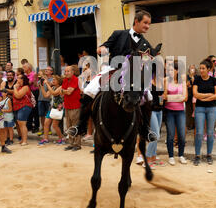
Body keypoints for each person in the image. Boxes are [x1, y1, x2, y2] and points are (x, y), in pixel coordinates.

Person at [67, 10, 162, 145]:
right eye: (145, 23)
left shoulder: (146, 44)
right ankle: (80, 126)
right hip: (113, 70)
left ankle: (145, 130)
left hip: (133, 75)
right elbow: (103, 47)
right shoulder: (119, 34)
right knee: (90, 90)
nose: (147, 26)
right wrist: (102, 49)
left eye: (149, 24)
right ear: (136, 21)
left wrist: (152, 57)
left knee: (149, 97)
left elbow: (146, 60)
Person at [193, 60, 216, 165]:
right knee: (199, 133)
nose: (201, 70)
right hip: (199, 108)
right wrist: (209, 95)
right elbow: (195, 94)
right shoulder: (197, 79)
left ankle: (209, 154)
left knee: (210, 133)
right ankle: (197, 155)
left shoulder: (213, 80)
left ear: (208, 69)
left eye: (203, 68)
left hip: (211, 109)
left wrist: (203, 97)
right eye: (200, 68)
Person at [163, 60, 188, 165]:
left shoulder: (183, 82)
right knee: (170, 135)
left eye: (172, 70)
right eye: (168, 70)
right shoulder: (165, 80)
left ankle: (181, 155)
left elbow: (185, 98)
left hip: (180, 111)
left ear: (177, 71)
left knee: (182, 135)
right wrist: (178, 97)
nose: (170, 71)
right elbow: (164, 97)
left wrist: (170, 97)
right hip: (169, 111)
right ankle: (171, 156)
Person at [144, 70, 166, 169]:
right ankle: (147, 160)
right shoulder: (148, 82)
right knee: (155, 134)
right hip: (151, 111)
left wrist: (163, 97)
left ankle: (153, 157)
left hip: (160, 110)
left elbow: (162, 95)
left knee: (158, 134)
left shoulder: (161, 82)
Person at [38, 75, 65, 146]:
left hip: (58, 109)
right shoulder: (52, 87)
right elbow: (46, 95)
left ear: (58, 81)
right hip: (52, 108)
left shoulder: (60, 87)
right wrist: (42, 87)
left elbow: (54, 93)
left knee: (55, 125)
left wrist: (47, 84)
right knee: (46, 123)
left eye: (54, 80)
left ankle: (61, 138)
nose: (52, 81)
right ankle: (45, 138)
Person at [62, 66, 82, 151]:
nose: (66, 73)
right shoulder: (65, 80)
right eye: (65, 71)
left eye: (68, 71)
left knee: (75, 126)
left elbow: (69, 92)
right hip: (67, 105)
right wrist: (65, 91)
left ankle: (77, 144)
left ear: (73, 72)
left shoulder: (75, 79)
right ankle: (71, 143)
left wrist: (64, 91)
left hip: (75, 106)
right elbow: (61, 92)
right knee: (69, 126)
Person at [12, 74, 34, 146]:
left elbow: (18, 96)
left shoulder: (25, 87)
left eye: (18, 78)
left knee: (22, 124)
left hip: (24, 106)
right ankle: (22, 139)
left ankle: (25, 140)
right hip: (19, 107)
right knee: (20, 123)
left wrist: (14, 87)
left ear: (22, 80)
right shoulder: (20, 87)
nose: (17, 79)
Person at [37, 66, 54, 137]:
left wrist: (47, 81)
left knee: (48, 115)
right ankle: (43, 129)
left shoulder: (53, 79)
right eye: (46, 69)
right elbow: (37, 85)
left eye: (48, 70)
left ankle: (48, 129)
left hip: (48, 100)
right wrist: (41, 80)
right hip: (41, 98)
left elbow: (52, 86)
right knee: (41, 115)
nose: (46, 71)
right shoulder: (42, 78)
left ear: (51, 72)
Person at [24, 63, 40, 133]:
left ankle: (36, 126)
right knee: (28, 109)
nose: (23, 69)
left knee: (35, 110)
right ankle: (29, 125)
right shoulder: (25, 75)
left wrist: (23, 81)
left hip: (34, 92)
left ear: (29, 68)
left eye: (24, 67)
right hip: (28, 92)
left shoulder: (33, 74)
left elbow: (29, 83)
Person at [186, 64, 197, 130]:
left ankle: (195, 125)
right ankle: (189, 125)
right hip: (189, 94)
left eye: (193, 68)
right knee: (188, 110)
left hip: (195, 95)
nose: (192, 69)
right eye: (191, 68)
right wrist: (190, 81)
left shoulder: (197, 77)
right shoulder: (187, 77)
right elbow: (186, 85)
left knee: (195, 110)